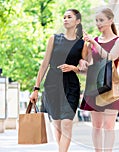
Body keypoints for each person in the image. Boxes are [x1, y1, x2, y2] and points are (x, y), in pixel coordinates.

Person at [30, 9, 87, 152]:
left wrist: (73, 68)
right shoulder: (54, 39)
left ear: (77, 21)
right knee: (57, 125)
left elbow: (85, 70)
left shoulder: (82, 44)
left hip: (71, 85)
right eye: (64, 17)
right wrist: (36, 89)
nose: (66, 19)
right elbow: (44, 64)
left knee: (67, 123)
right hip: (52, 84)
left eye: (69, 17)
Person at [80, 8, 119, 152]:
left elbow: (110, 57)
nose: (98, 24)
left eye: (101, 20)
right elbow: (89, 66)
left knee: (108, 126)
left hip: (112, 87)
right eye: (96, 21)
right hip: (95, 87)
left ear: (110, 20)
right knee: (96, 126)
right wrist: (83, 63)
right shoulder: (93, 41)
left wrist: (94, 44)